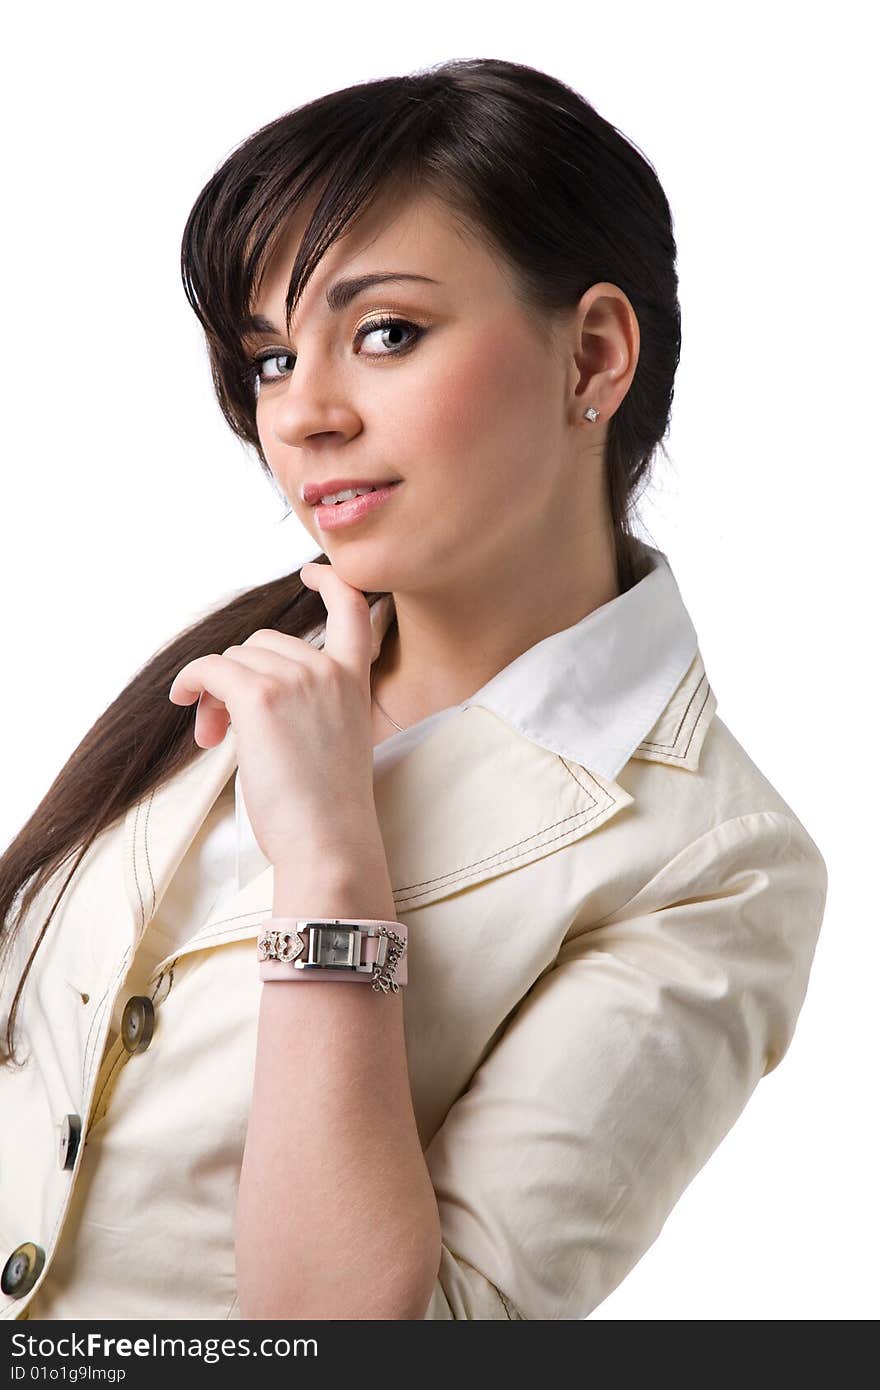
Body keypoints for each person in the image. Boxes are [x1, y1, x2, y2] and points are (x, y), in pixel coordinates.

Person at [0, 57, 827, 1322]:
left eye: (384, 332)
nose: (303, 416)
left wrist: (334, 863)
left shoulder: (713, 865)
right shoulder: (243, 663)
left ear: (594, 355)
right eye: (271, 357)